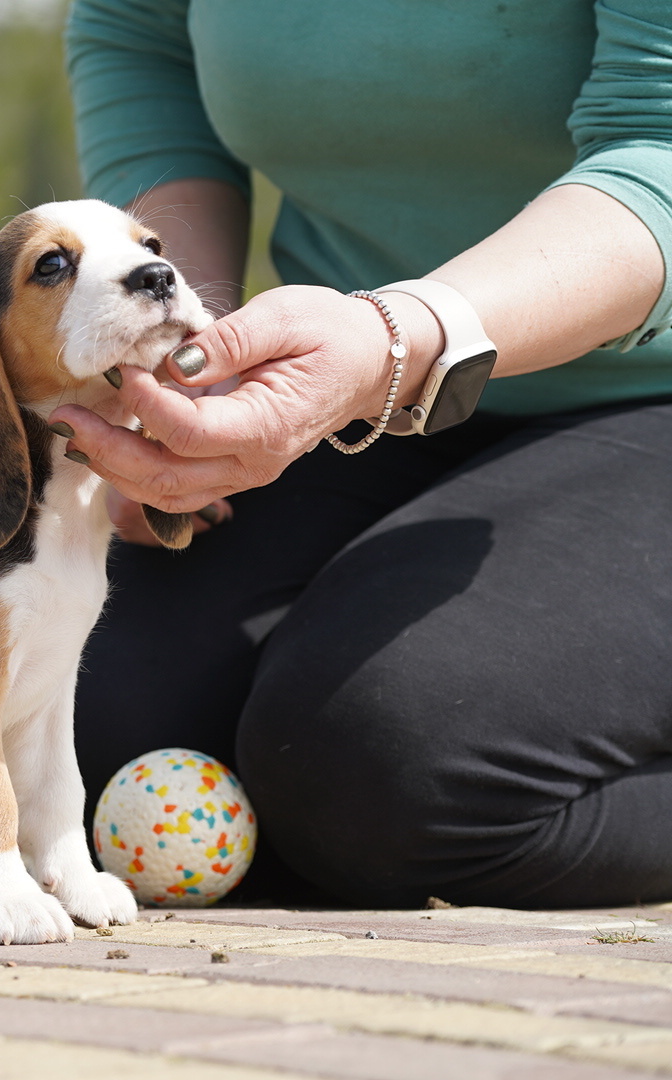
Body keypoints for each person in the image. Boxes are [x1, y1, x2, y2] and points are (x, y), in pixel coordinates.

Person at [57, 0, 672, 908]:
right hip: (367, 397)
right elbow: (141, 43)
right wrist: (167, 377)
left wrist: (405, 335)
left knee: (390, 768)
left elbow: (658, 147)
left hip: (638, 395)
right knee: (94, 726)